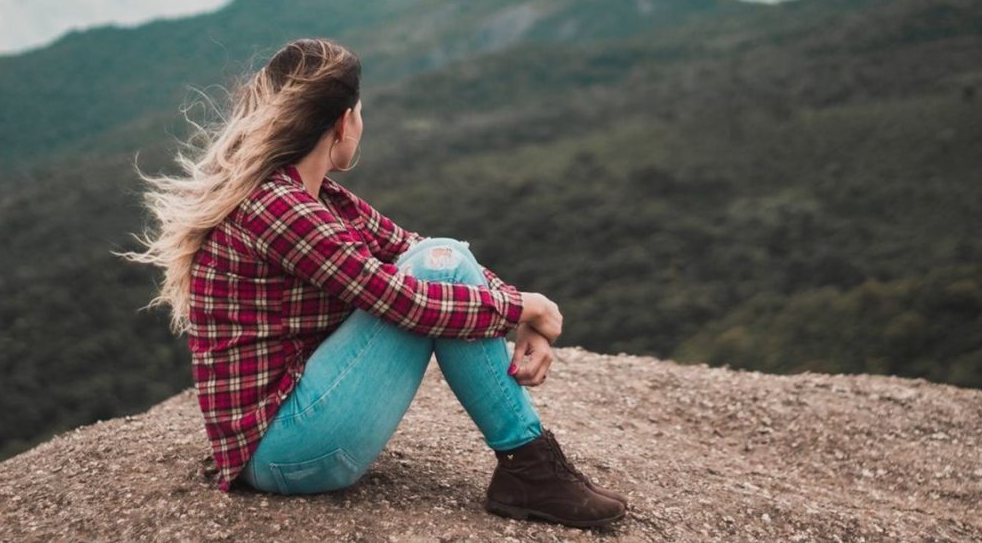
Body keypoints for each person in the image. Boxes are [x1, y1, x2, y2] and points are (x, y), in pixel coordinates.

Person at [117, 37, 629, 528]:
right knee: (433, 273)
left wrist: (522, 312)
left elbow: (420, 248)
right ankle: (531, 468)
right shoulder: (279, 207)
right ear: (344, 122)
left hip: (295, 429)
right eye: (360, 113)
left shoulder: (317, 198)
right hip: (284, 451)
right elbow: (404, 299)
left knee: (438, 255)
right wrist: (522, 308)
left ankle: (531, 468)